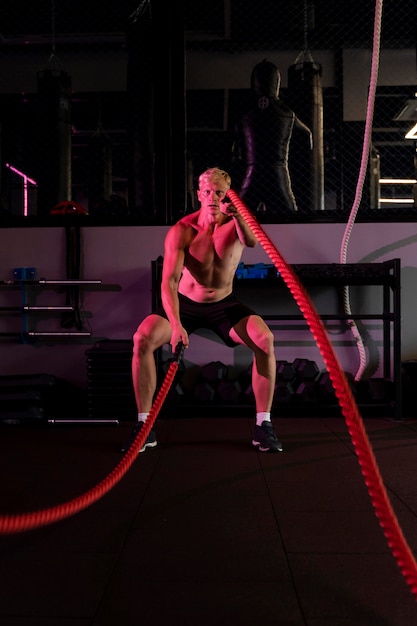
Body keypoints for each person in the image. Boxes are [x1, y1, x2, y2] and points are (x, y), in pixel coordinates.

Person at [121, 167, 282, 454]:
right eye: (207, 192)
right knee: (142, 339)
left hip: (224, 304)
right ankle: (144, 427)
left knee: (265, 340)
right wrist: (176, 323)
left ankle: (263, 426)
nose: (212, 197)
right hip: (186, 303)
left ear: (228, 195)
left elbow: (252, 242)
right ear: (198, 194)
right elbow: (169, 281)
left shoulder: (237, 223)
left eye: (219, 192)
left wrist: (239, 217)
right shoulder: (183, 230)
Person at [234, 59, 313, 215]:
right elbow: (307, 134)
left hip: (253, 171)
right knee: (290, 216)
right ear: (276, 83)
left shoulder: (246, 112)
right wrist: (303, 156)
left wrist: (237, 153)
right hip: (277, 172)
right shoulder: (286, 113)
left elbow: (233, 139)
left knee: (239, 216)